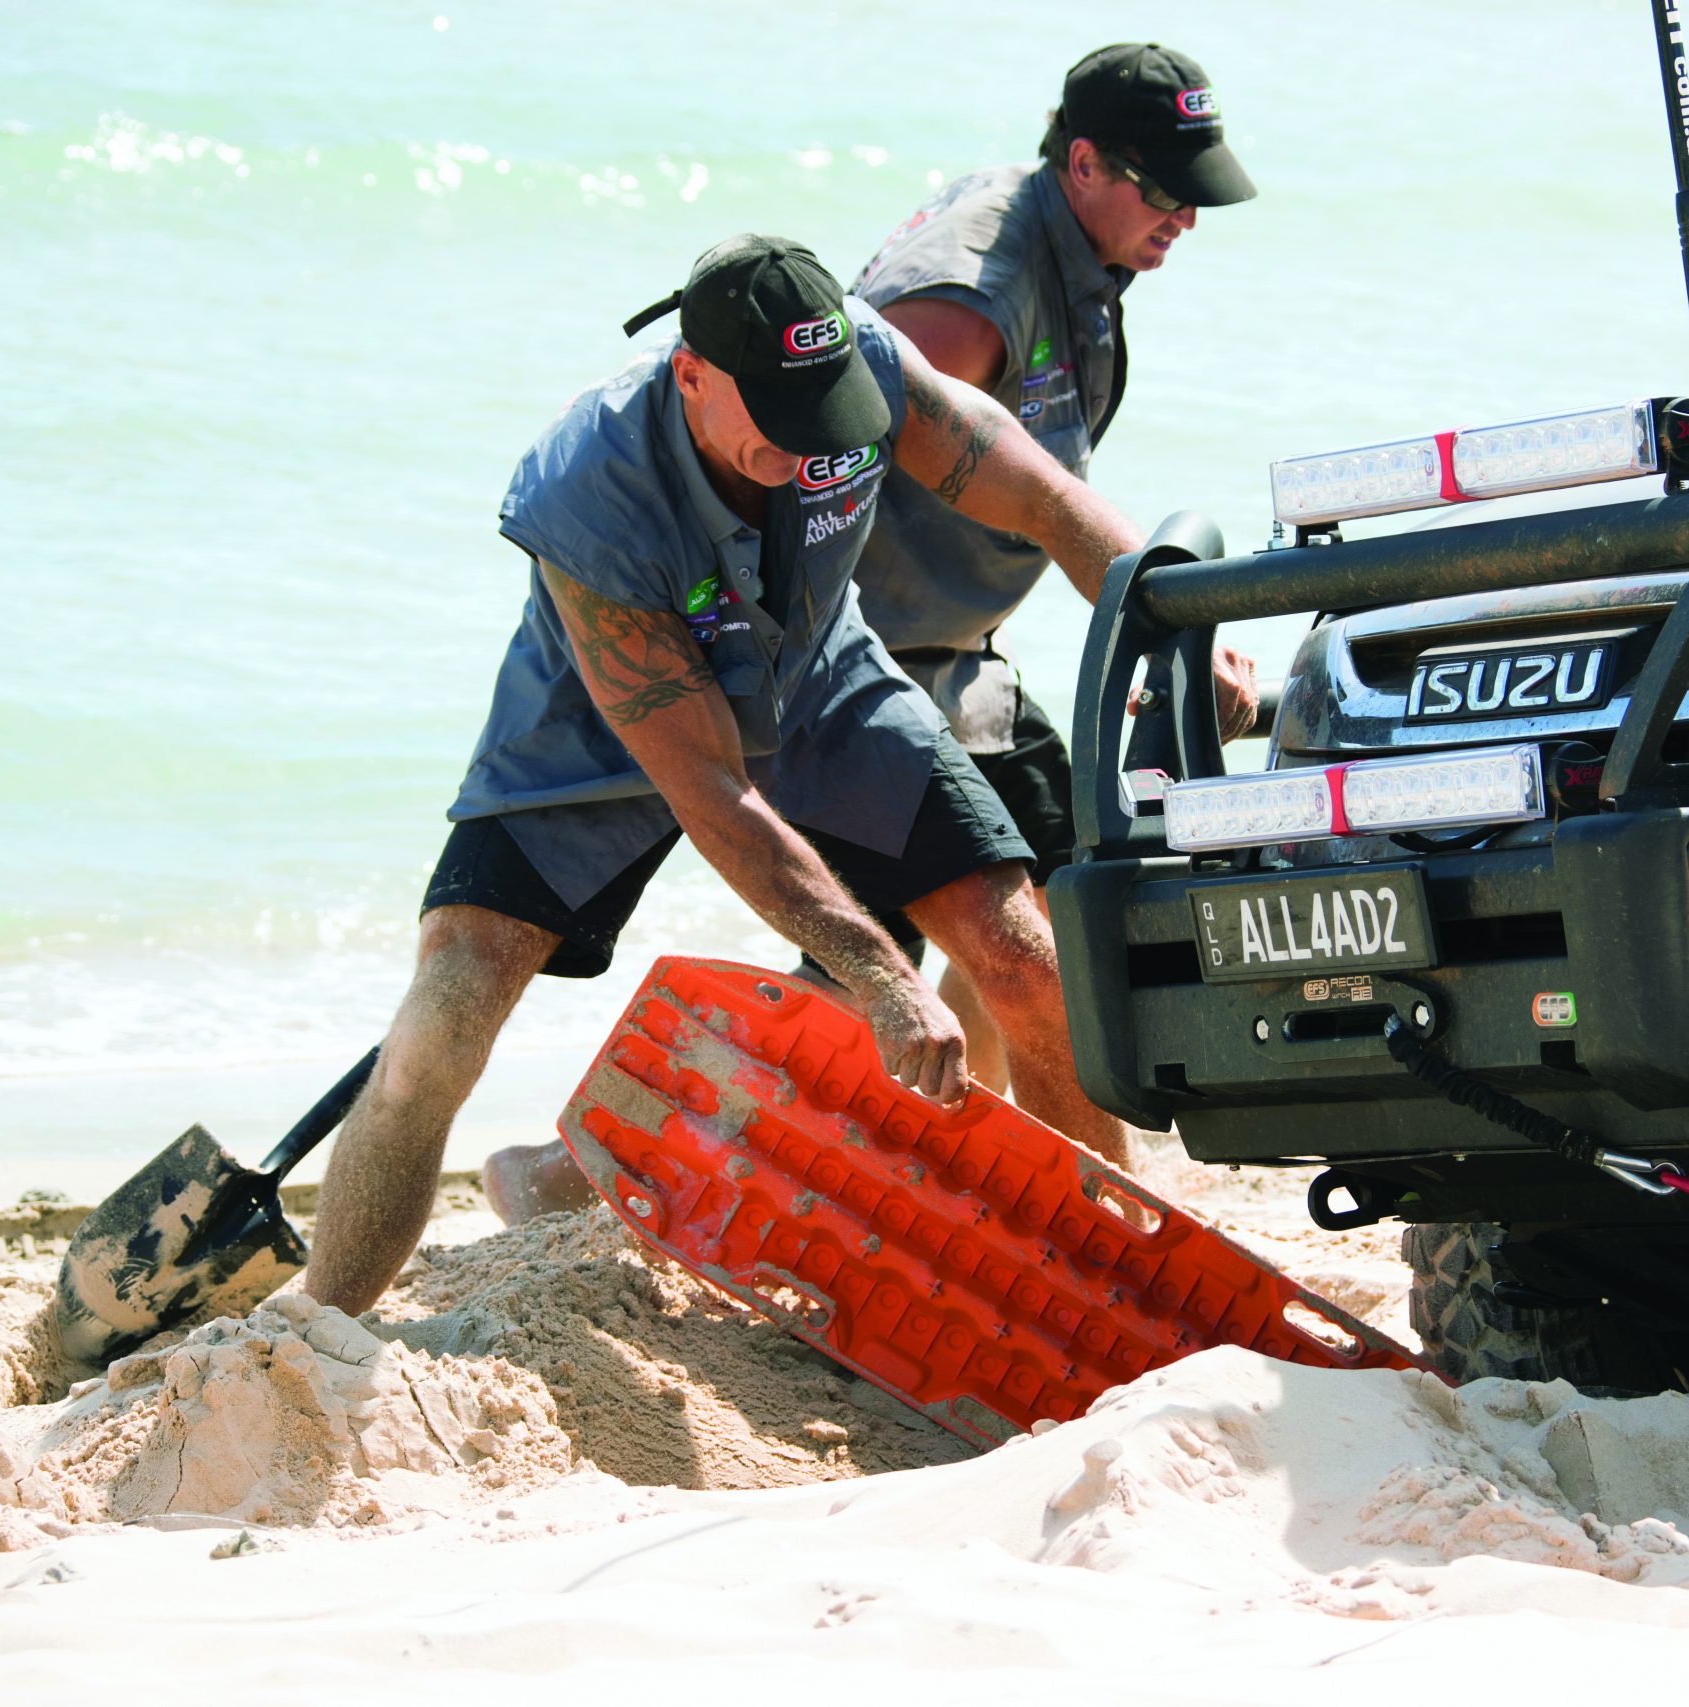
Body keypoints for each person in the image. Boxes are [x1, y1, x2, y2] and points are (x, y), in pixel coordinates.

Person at [307, 234, 1148, 1312]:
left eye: (828, 424)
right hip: (606, 721)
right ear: (689, 372)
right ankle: (320, 1331)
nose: (811, 454)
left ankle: (1110, 1281)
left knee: (1022, 957)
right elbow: (709, 791)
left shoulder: (864, 366)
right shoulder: (587, 488)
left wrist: (1161, 615)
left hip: (816, 674)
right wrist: (881, 980)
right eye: (784, 427)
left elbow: (1040, 497)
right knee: (445, 1017)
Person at [845, 42, 1259, 1089]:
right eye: (1163, 191)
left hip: (958, 663)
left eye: (1195, 192)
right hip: (860, 678)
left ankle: (990, 1151)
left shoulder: (1074, 244)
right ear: (1083, 164)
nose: (1186, 219)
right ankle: (564, 1173)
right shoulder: (961, 306)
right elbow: (817, 492)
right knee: (865, 977)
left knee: (1066, 913)